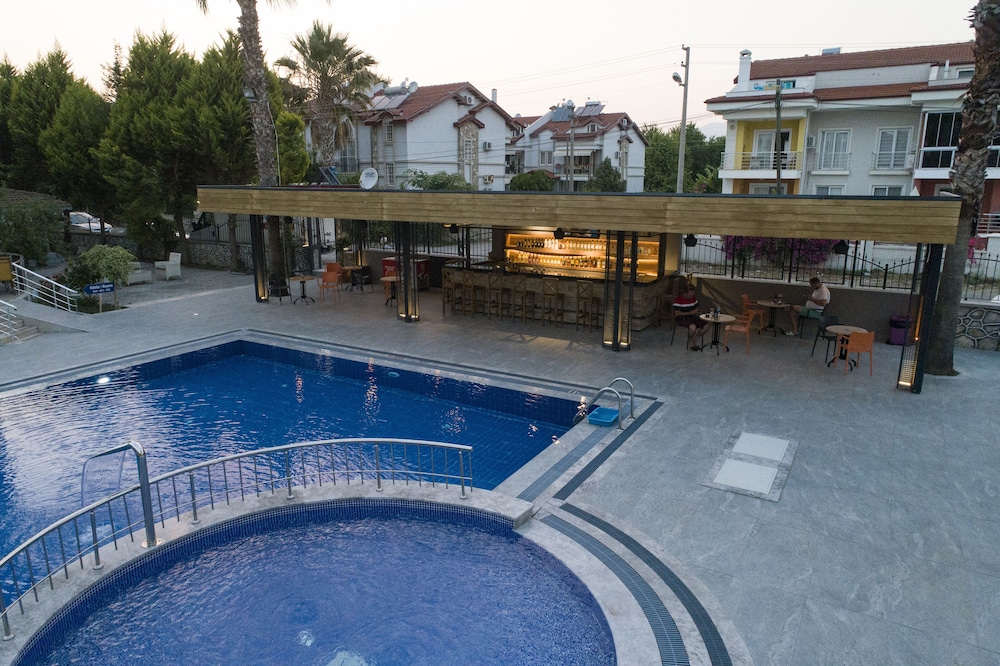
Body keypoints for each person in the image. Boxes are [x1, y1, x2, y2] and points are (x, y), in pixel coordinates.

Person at [673, 284, 709, 351]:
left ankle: (695, 338)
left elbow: (697, 306)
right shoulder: (678, 299)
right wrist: (690, 313)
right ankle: (690, 342)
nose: (691, 297)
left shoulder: (693, 298)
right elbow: (677, 313)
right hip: (682, 317)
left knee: (706, 327)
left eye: (692, 295)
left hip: (693, 316)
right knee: (693, 327)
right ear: (685, 293)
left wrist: (696, 310)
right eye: (689, 295)